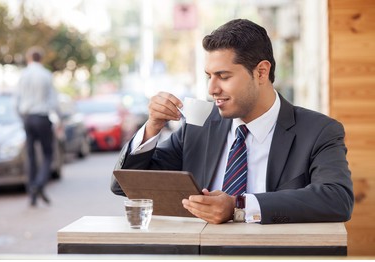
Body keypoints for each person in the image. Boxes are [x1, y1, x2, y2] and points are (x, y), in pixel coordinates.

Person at [111, 19, 354, 224]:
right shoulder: (199, 126)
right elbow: (126, 185)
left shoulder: (318, 131)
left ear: (261, 72)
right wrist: (153, 127)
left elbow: (337, 199)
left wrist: (239, 206)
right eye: (209, 76)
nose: (212, 89)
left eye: (223, 76)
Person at [16, 46, 59, 206]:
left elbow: (16, 100)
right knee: (48, 154)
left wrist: (22, 119)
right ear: (41, 59)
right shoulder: (46, 75)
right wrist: (59, 118)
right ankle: (39, 184)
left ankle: (32, 194)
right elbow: (54, 100)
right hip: (42, 117)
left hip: (27, 118)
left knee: (31, 156)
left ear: (29, 58)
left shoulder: (23, 75)